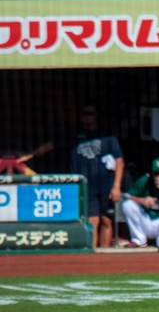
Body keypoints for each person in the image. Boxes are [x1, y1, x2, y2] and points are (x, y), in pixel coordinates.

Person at [22, 103, 124, 250]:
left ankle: (105, 255)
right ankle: (92, 255)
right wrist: (30, 154)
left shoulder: (107, 137)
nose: (87, 117)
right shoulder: (73, 134)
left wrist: (116, 186)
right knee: (92, 221)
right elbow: (51, 145)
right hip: (85, 185)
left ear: (97, 115)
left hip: (105, 184)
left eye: (90, 113)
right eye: (84, 113)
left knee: (106, 221)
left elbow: (120, 161)